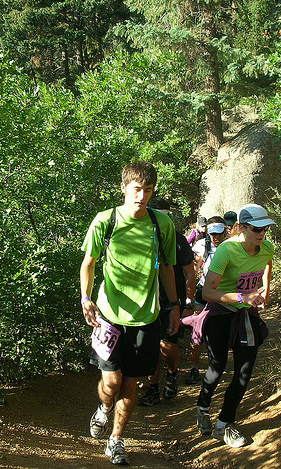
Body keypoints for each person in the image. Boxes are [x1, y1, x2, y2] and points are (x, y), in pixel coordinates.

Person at [80, 162, 180, 465]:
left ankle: (116, 439)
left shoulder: (161, 224)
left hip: (146, 317)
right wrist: (86, 298)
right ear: (124, 188)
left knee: (130, 382)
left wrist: (174, 305)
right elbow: (89, 262)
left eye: (148, 190)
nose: (142, 196)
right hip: (108, 316)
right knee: (111, 382)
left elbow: (166, 267)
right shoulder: (105, 220)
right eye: (137, 189)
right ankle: (104, 408)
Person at [189, 204, 275, 448]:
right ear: (241, 228)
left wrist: (265, 291)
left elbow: (267, 264)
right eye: (256, 228)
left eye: (265, 228)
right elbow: (207, 291)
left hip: (245, 315)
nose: (262, 233)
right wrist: (241, 297)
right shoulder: (227, 250)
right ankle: (203, 408)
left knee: (244, 372)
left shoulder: (267, 248)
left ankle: (223, 424)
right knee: (217, 368)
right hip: (220, 313)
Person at [138, 198, 196, 406]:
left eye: (165, 216)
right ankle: (153, 389)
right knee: (150, 348)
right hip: (145, 304)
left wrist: (188, 303)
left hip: (171, 303)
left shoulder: (178, 240)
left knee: (166, 345)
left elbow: (189, 272)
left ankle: (171, 375)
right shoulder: (139, 239)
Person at [184, 216, 228, 385]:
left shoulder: (231, 247)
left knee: (218, 330)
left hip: (223, 294)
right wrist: (189, 296)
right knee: (197, 328)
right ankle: (194, 367)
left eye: (219, 234)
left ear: (225, 232)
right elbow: (194, 271)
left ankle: (215, 366)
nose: (215, 238)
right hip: (203, 292)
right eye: (212, 234)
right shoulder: (202, 246)